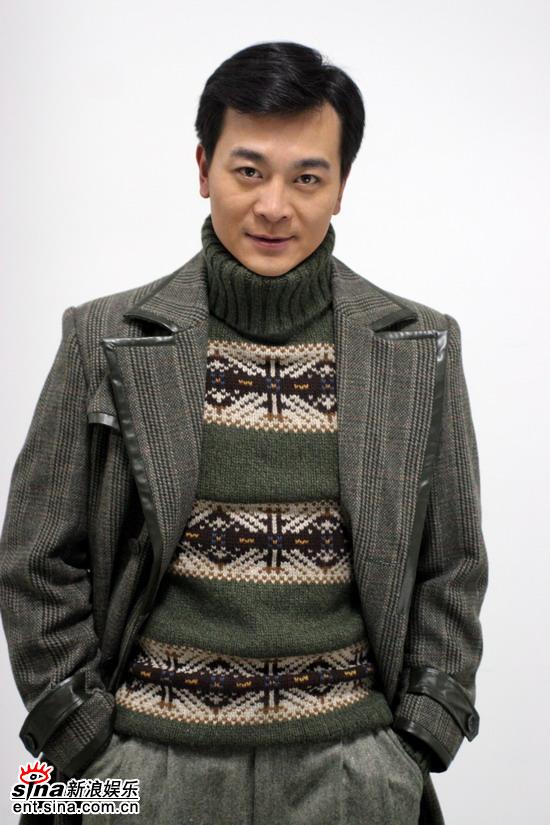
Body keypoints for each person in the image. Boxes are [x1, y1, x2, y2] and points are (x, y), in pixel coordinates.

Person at [0, 41, 488, 825]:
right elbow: (35, 559)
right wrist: (87, 745)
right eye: (249, 170)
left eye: (307, 178)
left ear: (342, 185)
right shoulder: (103, 335)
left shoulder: (417, 344)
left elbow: (453, 564)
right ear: (204, 168)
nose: (273, 206)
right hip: (143, 773)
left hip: (352, 777)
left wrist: (418, 740)